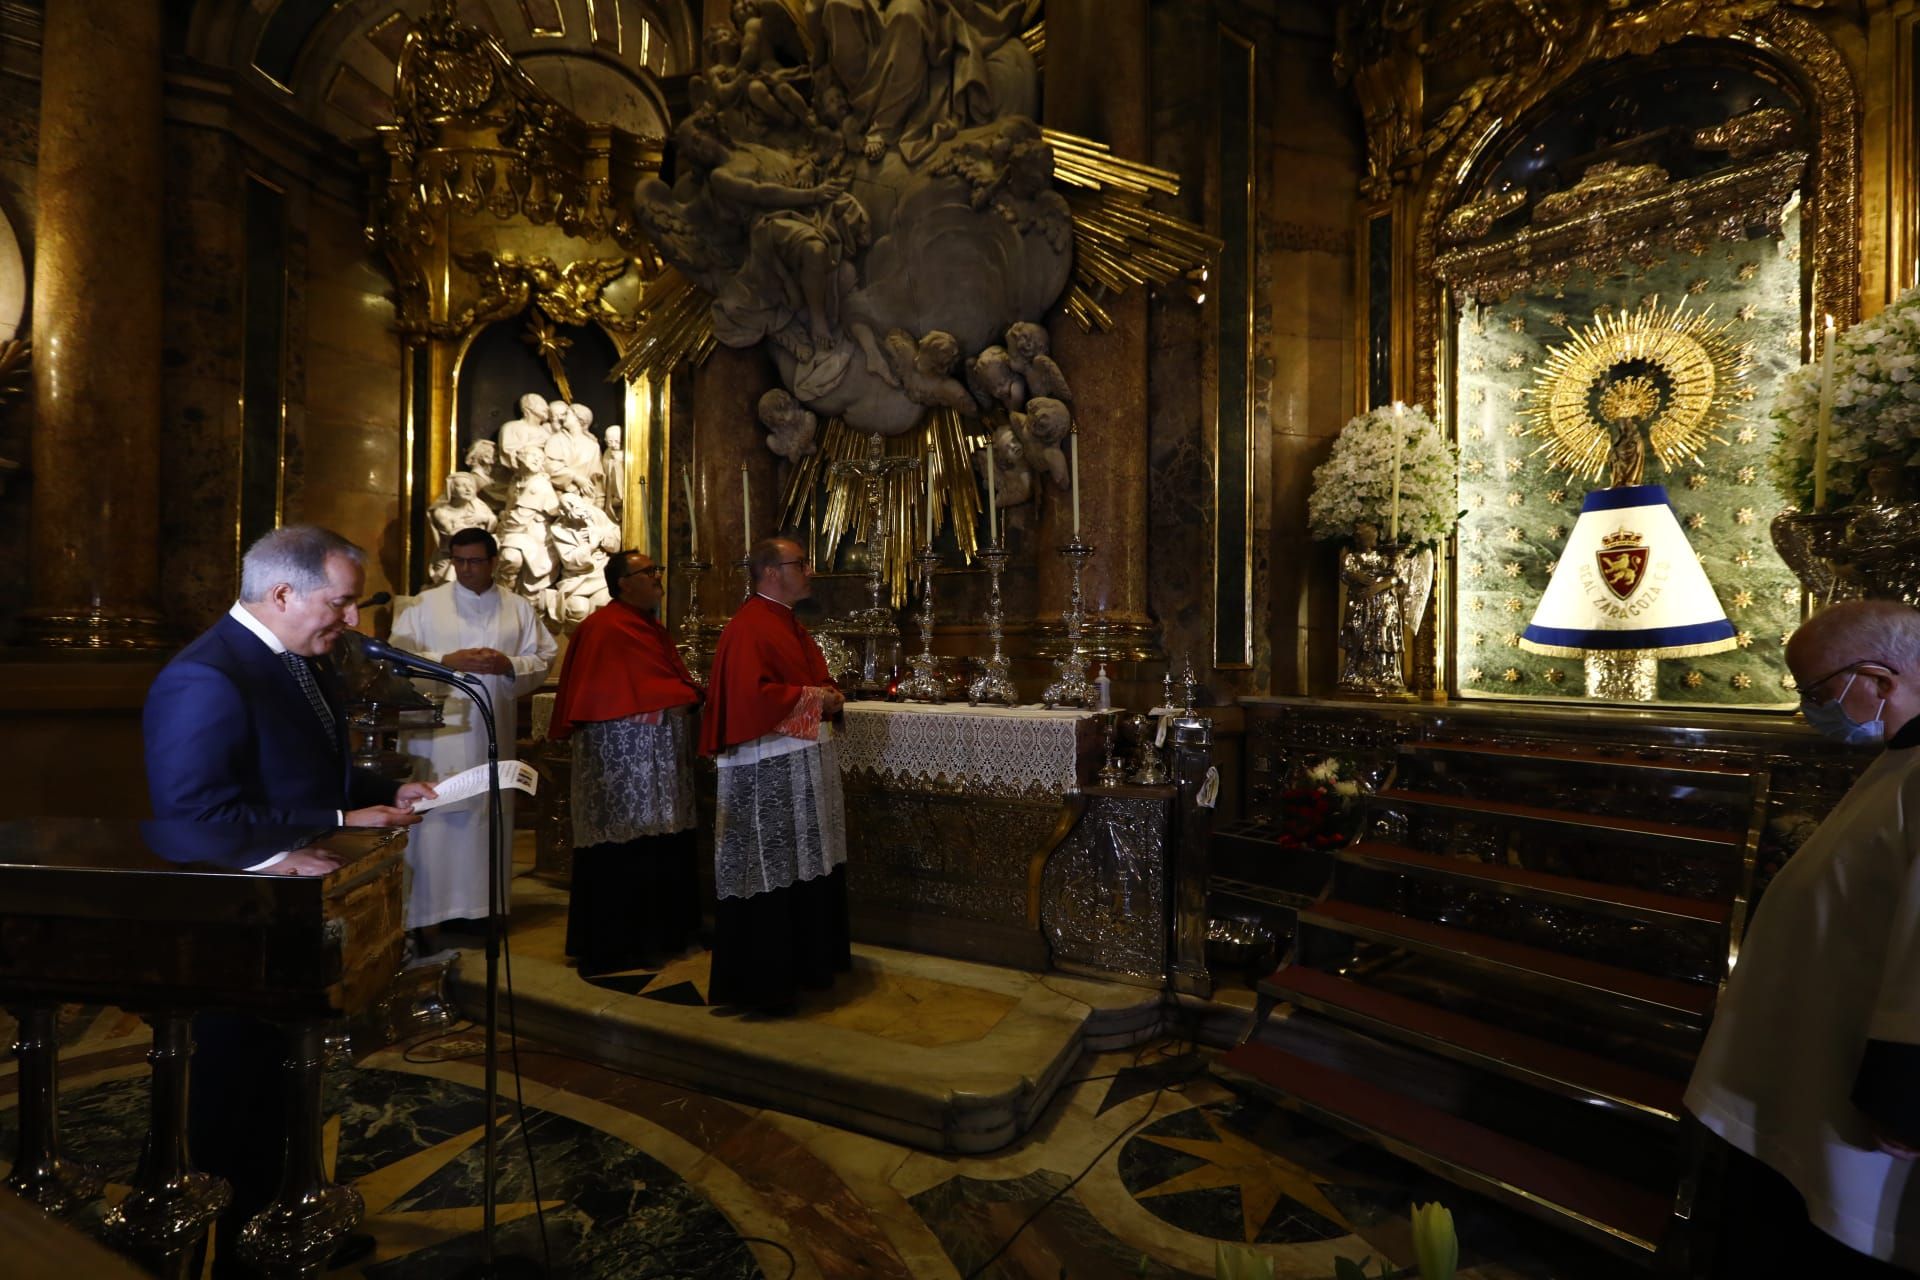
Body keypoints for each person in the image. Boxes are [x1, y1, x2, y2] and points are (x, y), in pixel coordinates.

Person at [143, 525, 436, 1279]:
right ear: (281, 593)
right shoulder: (207, 676)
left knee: (286, 1080)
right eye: (340, 603)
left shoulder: (298, 663)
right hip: (234, 929)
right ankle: (240, 1250)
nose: (350, 621)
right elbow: (191, 818)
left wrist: (376, 793)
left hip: (292, 921)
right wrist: (325, 831)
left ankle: (287, 1216)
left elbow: (306, 775)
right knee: (233, 1096)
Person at [1685, 599, 1920, 1276]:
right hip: (1810, 1054)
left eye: (1819, 692)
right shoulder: (1900, 760)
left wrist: (1904, 1094)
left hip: (1859, 1093)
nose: (1811, 709)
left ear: (1879, 681)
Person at [699, 536, 850, 1014]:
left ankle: (806, 965)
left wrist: (828, 693)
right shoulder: (750, 626)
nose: (810, 571)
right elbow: (751, 698)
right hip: (765, 769)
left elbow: (805, 678)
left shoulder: (785, 621)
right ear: (770, 573)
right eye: (800, 564)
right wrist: (815, 699)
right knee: (770, 868)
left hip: (796, 761)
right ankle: (764, 981)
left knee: (803, 865)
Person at [390, 526, 556, 953]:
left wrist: (508, 664)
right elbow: (396, 660)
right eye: (459, 561)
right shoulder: (425, 605)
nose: (466, 569)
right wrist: (447, 661)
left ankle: (482, 911)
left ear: (493, 562)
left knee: (485, 818)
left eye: (475, 561)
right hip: (436, 738)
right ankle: (425, 916)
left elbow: (543, 657)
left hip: (490, 733)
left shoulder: (517, 608)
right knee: (437, 819)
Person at [548, 550, 704, 974]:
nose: (658, 577)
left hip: (657, 759)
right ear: (622, 583)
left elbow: (663, 681)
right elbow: (622, 691)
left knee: (659, 843)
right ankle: (618, 943)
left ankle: (662, 935)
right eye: (648, 572)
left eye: (657, 569)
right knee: (625, 848)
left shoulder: (649, 626)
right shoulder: (604, 628)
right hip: (622, 765)